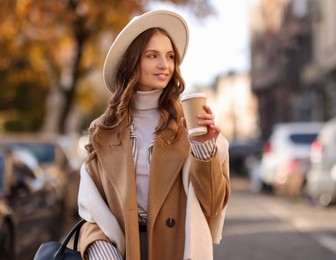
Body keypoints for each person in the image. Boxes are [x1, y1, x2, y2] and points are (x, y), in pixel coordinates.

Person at [77, 9, 230, 260]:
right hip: (121, 250)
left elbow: (212, 205)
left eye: (170, 56)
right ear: (132, 61)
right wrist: (100, 249)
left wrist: (203, 148)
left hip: (177, 250)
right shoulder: (103, 131)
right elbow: (91, 210)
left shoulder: (188, 124)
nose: (164, 65)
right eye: (152, 55)